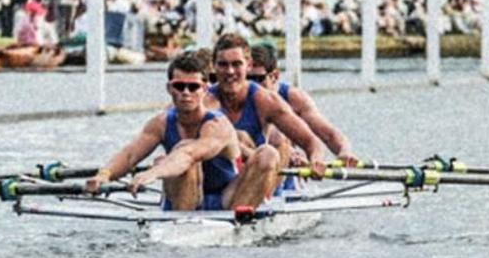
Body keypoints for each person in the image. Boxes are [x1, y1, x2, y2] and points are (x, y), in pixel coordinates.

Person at [85, 50, 279, 211]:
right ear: (169, 88)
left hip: (226, 201)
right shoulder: (160, 122)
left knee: (268, 154)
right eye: (180, 86)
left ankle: (240, 220)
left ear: (204, 89)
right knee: (176, 154)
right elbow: (130, 156)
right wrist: (104, 175)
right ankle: (183, 221)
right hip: (185, 199)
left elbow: (189, 154)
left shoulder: (218, 125)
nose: (186, 92)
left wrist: (154, 173)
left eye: (193, 87)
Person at [205, 33, 327, 176]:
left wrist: (316, 160)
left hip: (253, 182)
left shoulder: (266, 101)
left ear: (248, 65)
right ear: (214, 66)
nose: (230, 71)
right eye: (223, 65)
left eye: (236, 64)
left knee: (278, 141)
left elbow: (312, 142)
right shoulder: (205, 101)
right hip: (216, 184)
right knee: (238, 136)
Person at [247, 42, 357, 162]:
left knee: (279, 138)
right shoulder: (233, 96)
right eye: (247, 78)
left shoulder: (294, 98)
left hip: (283, 168)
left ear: (274, 76)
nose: (253, 85)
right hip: (249, 162)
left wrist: (344, 152)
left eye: (258, 79)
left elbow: (328, 135)